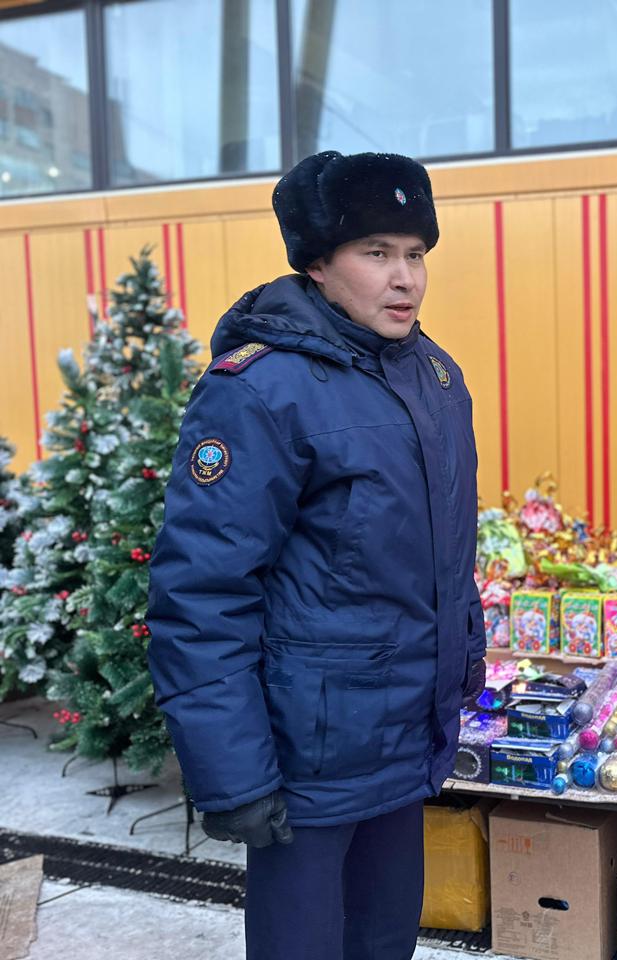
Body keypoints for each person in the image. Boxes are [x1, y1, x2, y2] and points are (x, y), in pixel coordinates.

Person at [147, 150, 486, 960]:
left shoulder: (436, 379)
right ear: (318, 264)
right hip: (308, 762)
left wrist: (460, 675)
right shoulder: (258, 391)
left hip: (403, 741)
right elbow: (202, 592)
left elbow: (445, 560)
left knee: (386, 942)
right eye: (376, 252)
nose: (404, 278)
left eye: (416, 254)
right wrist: (234, 772)